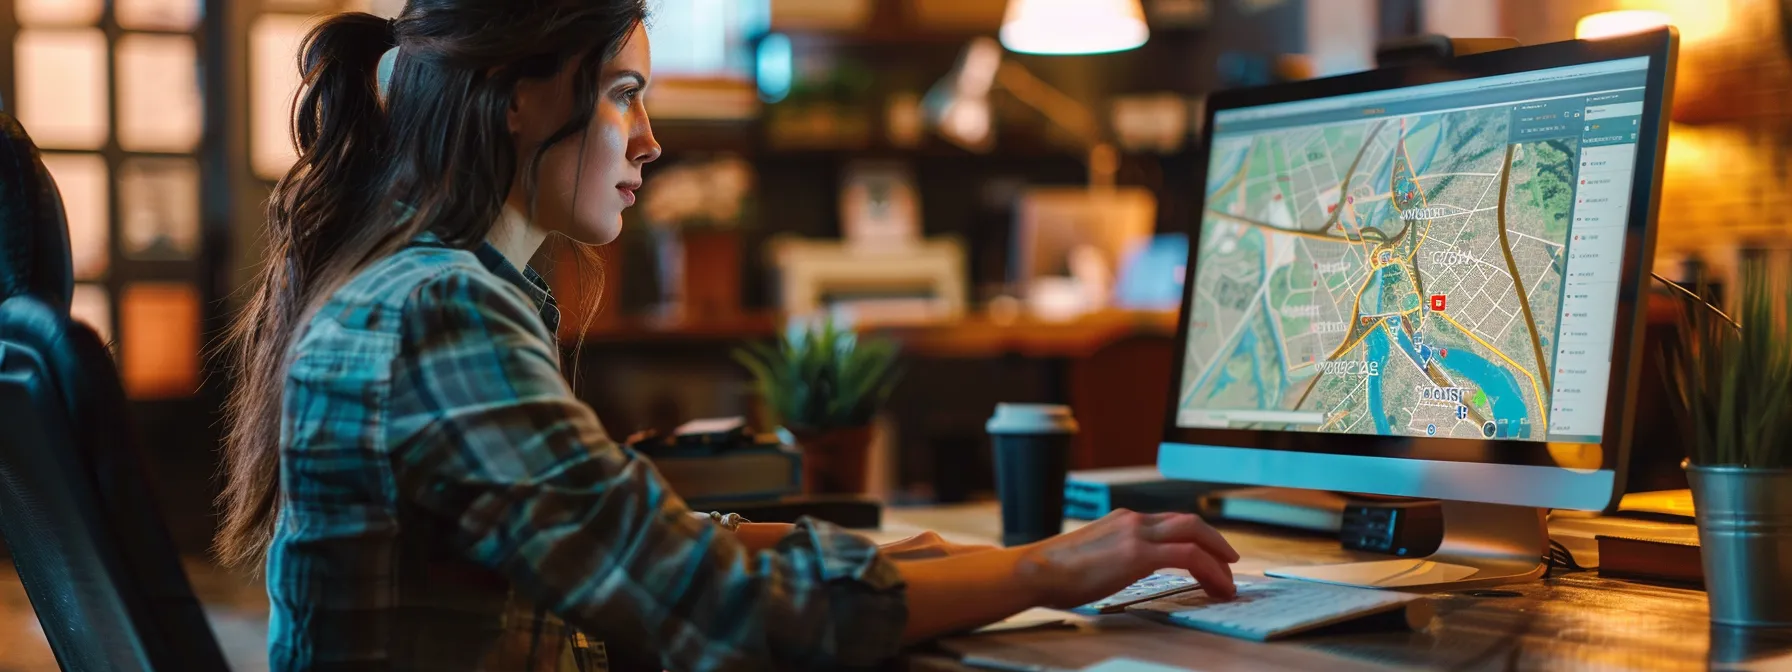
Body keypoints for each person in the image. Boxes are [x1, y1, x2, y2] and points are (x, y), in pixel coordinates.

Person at [215, 2, 1240, 670]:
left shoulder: (423, 286)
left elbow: (629, 544)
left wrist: (906, 560)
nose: (650, 140)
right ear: (521, 99)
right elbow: (718, 614)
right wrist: (1039, 571)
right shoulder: (438, 311)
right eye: (624, 95)